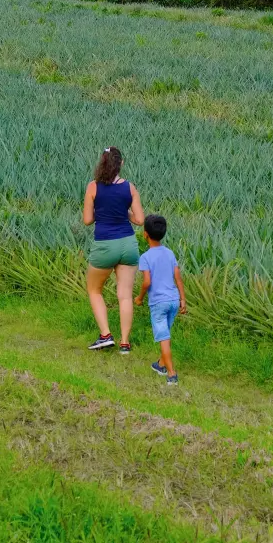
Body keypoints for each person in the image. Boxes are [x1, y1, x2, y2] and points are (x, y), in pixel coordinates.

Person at [83, 146, 144, 354]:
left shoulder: (93, 187)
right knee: (125, 295)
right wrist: (124, 212)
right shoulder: (130, 188)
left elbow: (87, 220)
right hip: (128, 244)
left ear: (102, 163)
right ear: (121, 164)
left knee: (94, 289)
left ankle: (106, 335)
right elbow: (140, 220)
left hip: (105, 244)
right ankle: (125, 343)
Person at [134, 214, 186, 385]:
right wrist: (182, 300)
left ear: (145, 234)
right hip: (173, 300)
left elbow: (147, 282)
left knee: (163, 336)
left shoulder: (145, 257)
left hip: (158, 302)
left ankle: (171, 374)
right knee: (166, 334)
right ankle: (160, 365)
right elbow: (178, 277)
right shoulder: (170, 253)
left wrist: (140, 298)